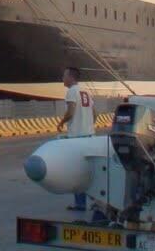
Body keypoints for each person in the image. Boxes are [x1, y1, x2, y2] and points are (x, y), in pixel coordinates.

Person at [58, 67, 95, 211]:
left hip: (77, 138)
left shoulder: (72, 91)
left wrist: (61, 122)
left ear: (71, 77)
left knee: (76, 171)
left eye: (64, 75)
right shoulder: (86, 92)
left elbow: (71, 112)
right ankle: (96, 202)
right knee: (89, 171)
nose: (62, 78)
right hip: (90, 136)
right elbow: (95, 114)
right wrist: (88, 125)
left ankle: (80, 204)